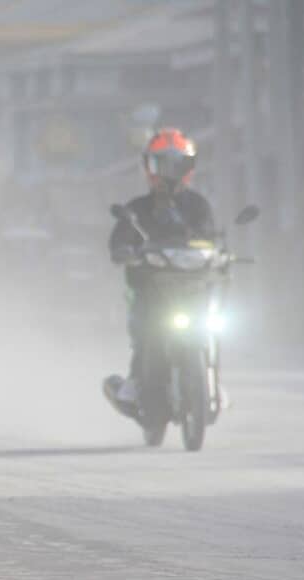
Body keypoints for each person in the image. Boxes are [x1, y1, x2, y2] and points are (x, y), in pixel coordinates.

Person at [106, 128, 218, 409]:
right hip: (150, 290)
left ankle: (212, 384)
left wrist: (222, 255)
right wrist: (124, 250)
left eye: (177, 165)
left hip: (193, 287)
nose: (170, 174)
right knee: (145, 330)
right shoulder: (138, 208)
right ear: (149, 167)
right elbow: (119, 238)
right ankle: (135, 382)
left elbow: (211, 237)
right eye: (163, 165)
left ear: (189, 168)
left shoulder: (198, 206)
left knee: (213, 327)